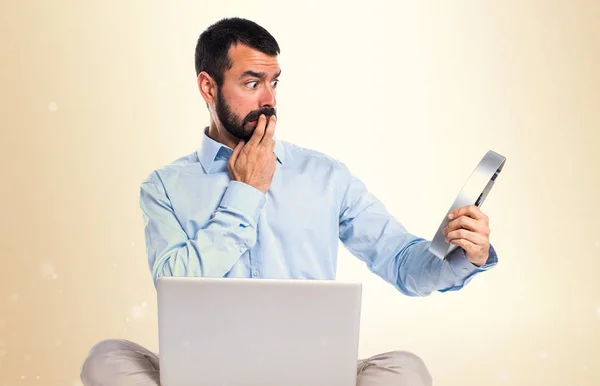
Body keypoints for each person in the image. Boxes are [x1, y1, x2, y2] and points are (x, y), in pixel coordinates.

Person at [80, 17, 498, 386]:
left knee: (406, 370)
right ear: (208, 86)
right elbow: (172, 282)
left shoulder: (325, 176)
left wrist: (462, 254)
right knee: (106, 360)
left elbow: (404, 266)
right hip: (204, 375)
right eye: (251, 83)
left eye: (273, 82)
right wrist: (246, 194)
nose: (269, 100)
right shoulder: (164, 187)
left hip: (310, 374)